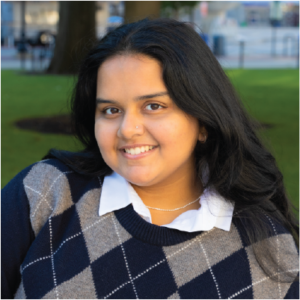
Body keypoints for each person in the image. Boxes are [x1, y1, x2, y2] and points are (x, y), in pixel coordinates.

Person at [1, 18, 300, 300]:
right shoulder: (44, 193)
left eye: (153, 106)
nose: (127, 129)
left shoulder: (270, 252)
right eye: (110, 110)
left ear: (204, 121)